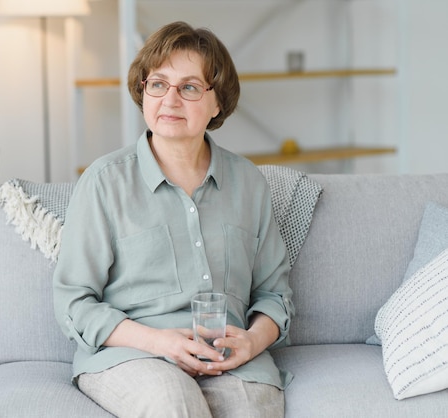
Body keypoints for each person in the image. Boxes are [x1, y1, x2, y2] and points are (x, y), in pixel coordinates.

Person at [53, 21, 294, 418]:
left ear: (218, 103)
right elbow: (74, 302)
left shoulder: (249, 183)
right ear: (143, 91)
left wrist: (251, 342)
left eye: (190, 87)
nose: (170, 100)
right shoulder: (104, 182)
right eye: (158, 84)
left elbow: (275, 295)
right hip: (135, 356)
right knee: (175, 405)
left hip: (233, 361)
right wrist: (160, 342)